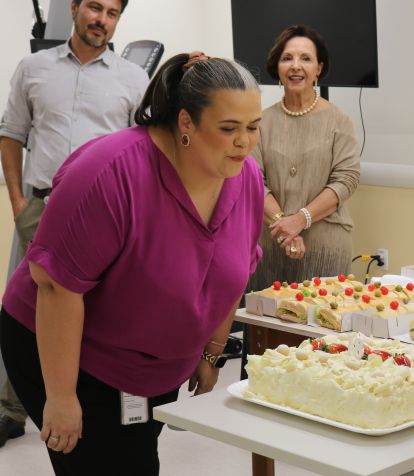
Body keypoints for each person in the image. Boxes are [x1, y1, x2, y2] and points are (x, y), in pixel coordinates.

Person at [0, 52, 264, 475]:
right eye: (229, 128)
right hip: (69, 354)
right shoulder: (110, 172)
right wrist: (61, 397)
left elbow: (236, 272)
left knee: (135, 456)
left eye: (253, 127)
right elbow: (56, 287)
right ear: (186, 123)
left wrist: (212, 353)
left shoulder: (244, 176)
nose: (244, 142)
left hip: (151, 368)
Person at [0, 0, 148, 448]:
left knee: (97, 312)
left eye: (112, 13)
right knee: (20, 310)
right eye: (94, 8)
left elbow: (143, 151)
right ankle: (10, 409)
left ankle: (81, 400)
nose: (101, 19)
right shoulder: (34, 68)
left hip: (103, 216)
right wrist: (18, 202)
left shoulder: (133, 78)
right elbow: (12, 134)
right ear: (75, 8)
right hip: (39, 209)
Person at [247, 24, 360, 291]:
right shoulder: (260, 121)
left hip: (326, 249)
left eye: (305, 58)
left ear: (318, 68)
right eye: (287, 58)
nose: (295, 66)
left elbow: (346, 180)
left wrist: (300, 220)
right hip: (270, 248)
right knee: (267, 317)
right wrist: (283, 227)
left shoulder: (339, 120)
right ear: (277, 67)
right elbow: (253, 180)